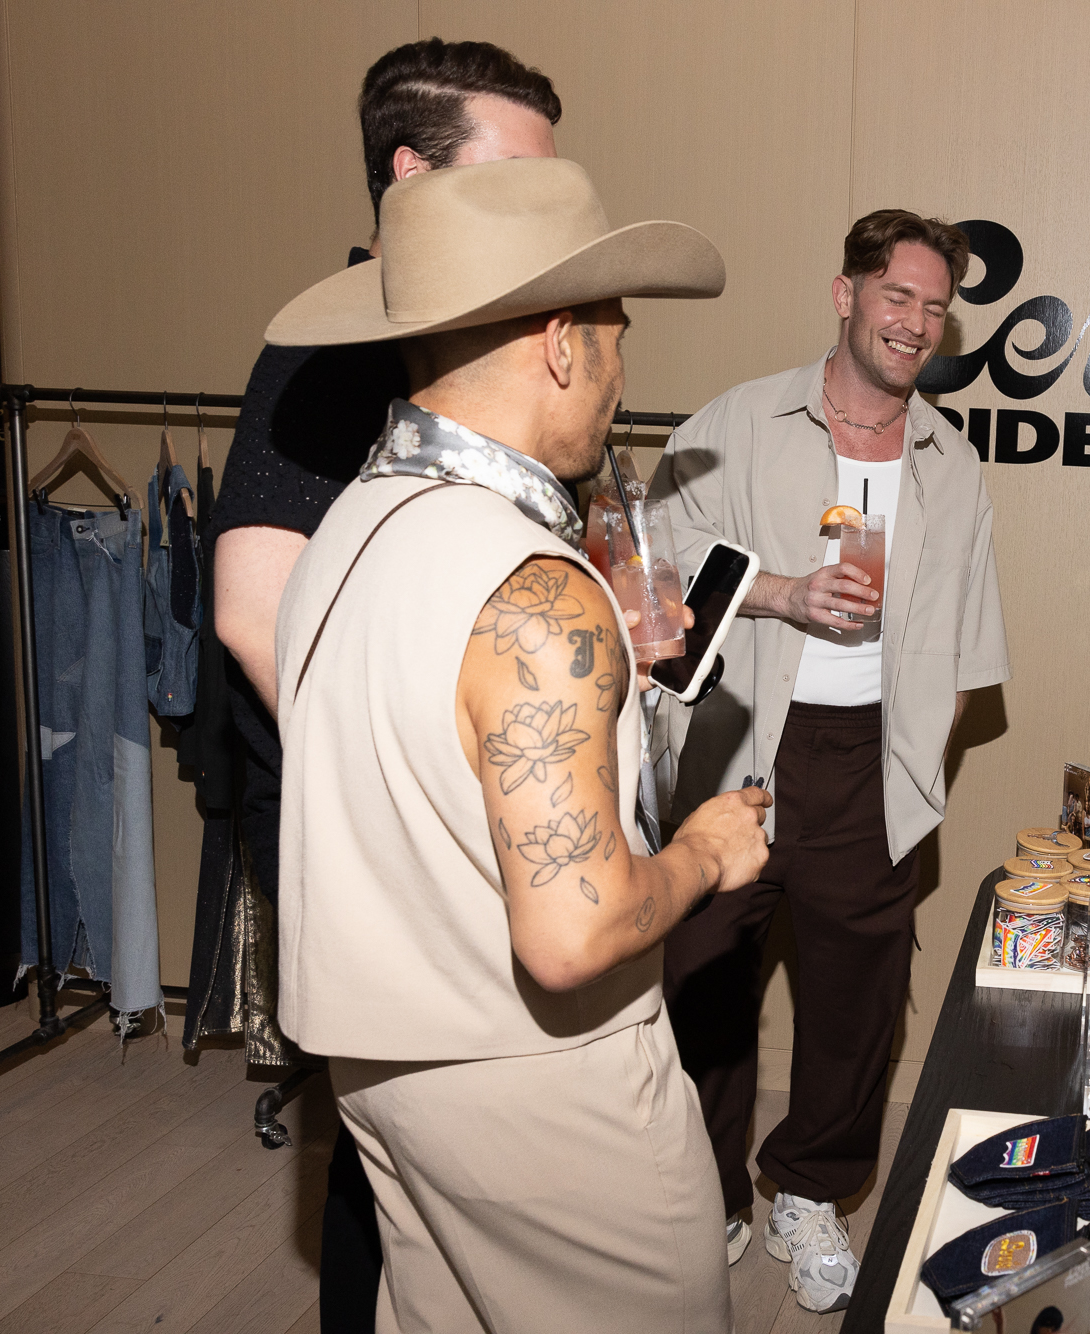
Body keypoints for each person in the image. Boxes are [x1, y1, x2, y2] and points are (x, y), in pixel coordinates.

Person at [266, 156, 772, 1331]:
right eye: (616, 336)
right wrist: (704, 850)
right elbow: (573, 931)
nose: (620, 373)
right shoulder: (537, 590)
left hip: (377, 1072)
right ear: (559, 344)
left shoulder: (344, 528)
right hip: (545, 1094)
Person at [196, 39, 561, 1329]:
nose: (546, 206)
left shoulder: (461, 341)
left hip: (437, 806)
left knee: (439, 1138)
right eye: (514, 174)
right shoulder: (337, 350)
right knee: (385, 1135)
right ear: (410, 177)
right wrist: (418, 781)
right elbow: (252, 615)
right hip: (358, 813)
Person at [654, 210, 1010, 1311]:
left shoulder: (950, 462)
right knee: (702, 982)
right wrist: (781, 594)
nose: (915, 323)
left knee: (860, 1002)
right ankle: (706, 1195)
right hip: (740, 747)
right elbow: (654, 572)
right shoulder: (738, 420)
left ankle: (808, 1191)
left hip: (871, 760)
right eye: (897, 296)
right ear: (847, 295)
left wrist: (916, 754)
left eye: (934, 307)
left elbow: (966, 642)